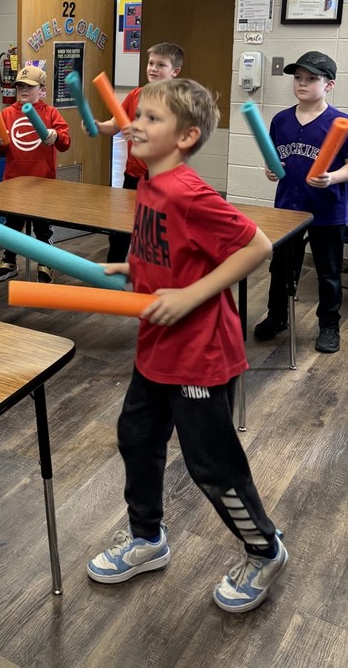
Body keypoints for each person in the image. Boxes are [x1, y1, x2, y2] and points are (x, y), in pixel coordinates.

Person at [87, 78, 287, 613]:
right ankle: (147, 538)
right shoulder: (150, 184)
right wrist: (133, 266)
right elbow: (171, 250)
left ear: (186, 136)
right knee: (136, 438)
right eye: (139, 115)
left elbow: (257, 246)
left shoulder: (188, 190)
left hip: (199, 353)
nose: (136, 124)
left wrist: (190, 296)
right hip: (156, 346)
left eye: (152, 118)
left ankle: (263, 549)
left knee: (211, 465)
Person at [253, 50, 348, 355]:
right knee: (281, 269)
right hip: (288, 210)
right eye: (298, 78)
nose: (302, 83)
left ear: (329, 85)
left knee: (328, 272)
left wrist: (333, 178)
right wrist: (270, 170)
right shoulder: (281, 120)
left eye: (311, 79)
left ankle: (329, 325)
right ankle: (277, 316)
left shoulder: (341, 122)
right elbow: (277, 159)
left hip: (327, 211)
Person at [94, 42, 184, 263]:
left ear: (175, 71)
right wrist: (98, 126)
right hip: (133, 176)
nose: (153, 68)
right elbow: (115, 124)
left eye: (161, 64)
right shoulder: (135, 95)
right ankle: (112, 280)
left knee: (155, 234)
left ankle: (156, 283)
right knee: (120, 231)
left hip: (162, 180)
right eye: (151, 63)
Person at [0, 64, 71, 284]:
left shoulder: (51, 113)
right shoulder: (7, 113)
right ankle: (8, 262)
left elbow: (65, 142)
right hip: (15, 181)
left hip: (43, 181)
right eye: (20, 86)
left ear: (42, 90)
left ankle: (46, 262)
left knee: (43, 227)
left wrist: (56, 135)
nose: (23, 90)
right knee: (12, 225)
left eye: (29, 86)